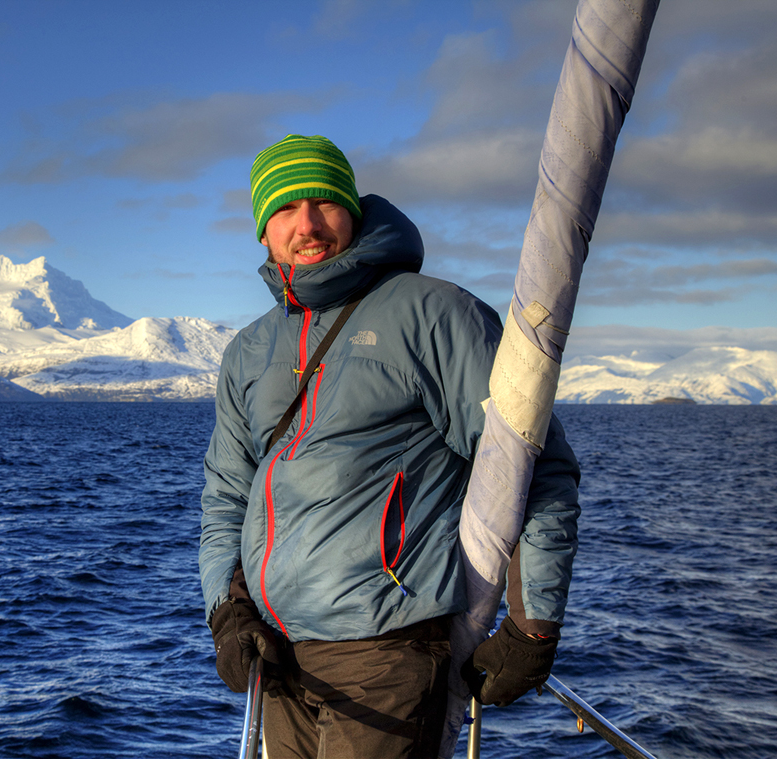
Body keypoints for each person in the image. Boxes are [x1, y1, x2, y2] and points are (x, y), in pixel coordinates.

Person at [199, 134, 580, 758]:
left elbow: (537, 465)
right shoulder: (248, 350)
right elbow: (225, 495)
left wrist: (533, 624)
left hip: (387, 654)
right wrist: (226, 612)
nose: (308, 225)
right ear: (262, 229)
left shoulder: (434, 315)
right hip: (279, 659)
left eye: (324, 202)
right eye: (286, 210)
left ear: (353, 206)